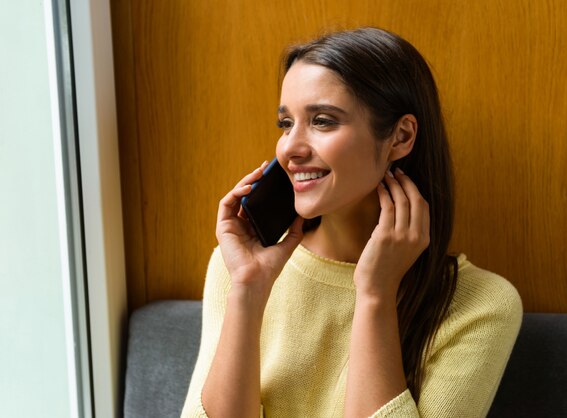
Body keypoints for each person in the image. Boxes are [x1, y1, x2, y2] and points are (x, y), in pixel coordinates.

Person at [181, 27, 522, 418]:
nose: (290, 147)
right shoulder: (236, 268)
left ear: (401, 136)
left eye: (323, 121)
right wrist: (247, 288)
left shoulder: (482, 306)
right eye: (286, 123)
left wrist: (375, 293)